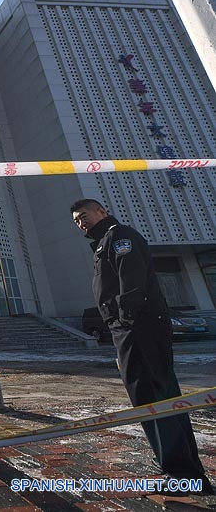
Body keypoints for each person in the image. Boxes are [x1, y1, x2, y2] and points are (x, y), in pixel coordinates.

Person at [70, 199, 213, 496]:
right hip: (130, 328)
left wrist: (125, 320)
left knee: (153, 395)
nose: (81, 223)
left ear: (102, 211)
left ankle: (181, 473)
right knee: (153, 395)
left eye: (84, 215)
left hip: (138, 327)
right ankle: (180, 468)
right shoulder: (104, 242)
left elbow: (131, 281)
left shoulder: (120, 236)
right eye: (76, 220)